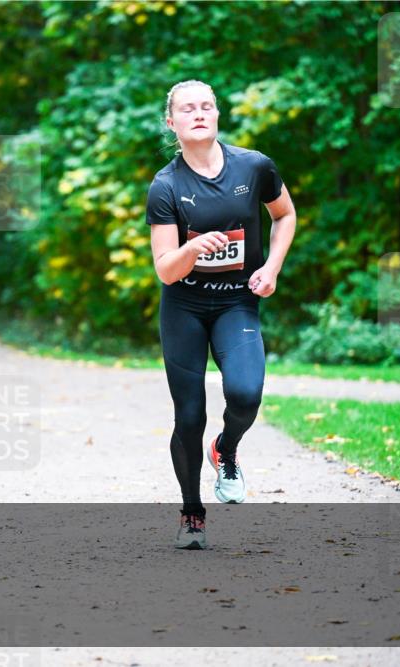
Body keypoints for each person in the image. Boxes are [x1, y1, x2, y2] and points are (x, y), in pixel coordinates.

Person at [145, 80, 296, 550]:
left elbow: (285, 215)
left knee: (246, 393)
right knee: (189, 415)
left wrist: (271, 268)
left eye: (206, 106)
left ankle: (226, 449)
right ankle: (192, 513)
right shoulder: (166, 186)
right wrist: (191, 247)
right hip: (185, 307)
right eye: (187, 108)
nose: (199, 113)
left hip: (237, 302)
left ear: (217, 115)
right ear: (172, 122)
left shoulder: (254, 166)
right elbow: (166, 271)